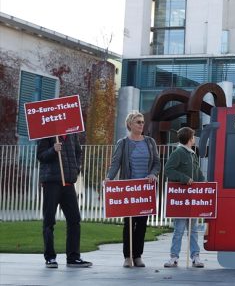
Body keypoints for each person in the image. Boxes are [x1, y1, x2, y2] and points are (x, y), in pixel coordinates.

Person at [105, 111, 160, 268]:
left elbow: (157, 163)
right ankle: (127, 256)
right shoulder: (123, 143)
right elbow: (115, 163)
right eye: (138, 122)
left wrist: (152, 174)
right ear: (130, 124)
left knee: (142, 224)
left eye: (142, 122)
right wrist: (109, 177)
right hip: (128, 190)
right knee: (129, 224)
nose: (142, 124)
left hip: (145, 190)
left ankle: (138, 256)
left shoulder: (150, 142)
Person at [36, 133, 93, 268]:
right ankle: (50, 257)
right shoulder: (47, 133)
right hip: (51, 183)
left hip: (68, 183)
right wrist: (53, 150)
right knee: (49, 220)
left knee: (74, 219)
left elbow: (78, 152)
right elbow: (40, 156)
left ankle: (73, 257)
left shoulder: (72, 134)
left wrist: (76, 169)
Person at [164, 127, 205, 268]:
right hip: (181, 199)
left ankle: (196, 257)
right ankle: (174, 257)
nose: (195, 139)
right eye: (193, 137)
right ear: (189, 139)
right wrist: (184, 178)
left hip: (192, 198)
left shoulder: (193, 154)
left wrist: (205, 185)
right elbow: (168, 169)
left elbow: (198, 172)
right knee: (179, 229)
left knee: (193, 230)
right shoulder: (178, 152)